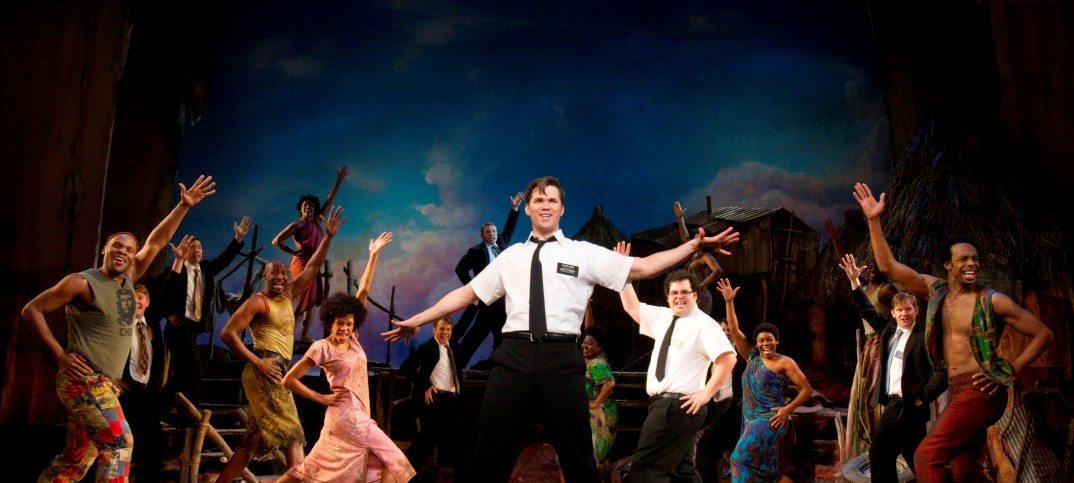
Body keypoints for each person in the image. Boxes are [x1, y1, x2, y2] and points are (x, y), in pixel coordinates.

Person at [384, 175, 740, 482]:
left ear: (561, 209)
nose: (545, 205)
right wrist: (418, 319)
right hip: (514, 356)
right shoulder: (511, 257)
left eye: (552, 200)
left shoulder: (582, 253)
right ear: (527, 208)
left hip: (561, 358)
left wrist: (694, 245)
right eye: (538, 200)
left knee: (578, 456)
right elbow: (465, 294)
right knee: (488, 452)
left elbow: (643, 267)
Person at [852, 182, 1054, 481]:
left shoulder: (992, 300)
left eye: (975, 259)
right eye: (963, 259)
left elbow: (1043, 334)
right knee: (963, 470)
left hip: (980, 389)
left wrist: (1009, 371)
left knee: (926, 456)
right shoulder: (936, 292)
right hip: (955, 388)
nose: (972, 264)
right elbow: (889, 266)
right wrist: (873, 220)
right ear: (948, 265)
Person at [21, 175, 216, 482]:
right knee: (120, 444)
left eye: (128, 248)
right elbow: (32, 309)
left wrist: (183, 206)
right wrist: (60, 355)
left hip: (105, 384)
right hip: (84, 381)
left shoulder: (128, 279)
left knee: (75, 461)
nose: (122, 251)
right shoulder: (82, 283)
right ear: (105, 249)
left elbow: (156, 242)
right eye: (116, 246)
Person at [216, 206, 346, 483]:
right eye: (273, 273)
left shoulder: (288, 294)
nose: (279, 277)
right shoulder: (257, 302)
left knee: (251, 444)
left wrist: (328, 237)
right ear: (265, 276)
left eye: (283, 274)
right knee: (294, 434)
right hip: (265, 369)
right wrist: (258, 362)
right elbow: (227, 333)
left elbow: (311, 268)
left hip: (279, 370)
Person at [277, 231, 414, 482]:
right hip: (347, 415)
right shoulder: (322, 347)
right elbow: (289, 380)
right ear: (330, 322)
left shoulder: (353, 341)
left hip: (355, 416)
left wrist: (373, 255)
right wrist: (321, 398)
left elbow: (364, 290)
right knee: (394, 458)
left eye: (349, 324)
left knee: (312, 467)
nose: (344, 328)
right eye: (340, 323)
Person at [615, 253, 736, 482]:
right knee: (683, 472)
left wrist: (706, 394)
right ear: (668, 296)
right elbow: (632, 307)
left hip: (677, 406)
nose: (679, 297)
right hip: (667, 406)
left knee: (643, 469)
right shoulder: (663, 317)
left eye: (685, 292)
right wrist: (623, 272)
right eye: (674, 293)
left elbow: (728, 359)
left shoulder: (704, 324)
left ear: (695, 295)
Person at [840, 254, 947, 482]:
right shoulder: (889, 331)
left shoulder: (923, 337)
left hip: (905, 404)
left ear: (916, 310)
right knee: (916, 456)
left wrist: (923, 396)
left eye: (908, 309)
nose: (904, 314)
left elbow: (942, 370)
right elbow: (867, 309)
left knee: (879, 453)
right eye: (900, 310)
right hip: (895, 404)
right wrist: (854, 281)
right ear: (893, 313)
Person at [719, 278, 812, 483]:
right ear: (756, 343)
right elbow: (734, 330)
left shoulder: (785, 362)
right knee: (766, 472)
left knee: (738, 460)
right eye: (761, 340)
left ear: (776, 340)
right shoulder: (751, 357)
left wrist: (787, 409)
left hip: (770, 419)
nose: (765, 343)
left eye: (769, 339)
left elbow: (807, 389)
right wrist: (729, 301)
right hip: (750, 419)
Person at [157, 216, 249, 409]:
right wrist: (168, 314)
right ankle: (191, 412)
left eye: (199, 247)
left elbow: (224, 260)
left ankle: (163, 407)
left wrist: (238, 238)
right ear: (185, 251)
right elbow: (159, 294)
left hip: (194, 328)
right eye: (192, 247)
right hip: (178, 327)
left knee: (181, 373)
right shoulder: (176, 270)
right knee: (194, 368)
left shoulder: (206, 269)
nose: (197, 250)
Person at [273, 166, 349, 340]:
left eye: (312, 206)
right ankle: (286, 335)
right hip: (302, 264)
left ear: (315, 209)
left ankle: (304, 335)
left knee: (312, 300)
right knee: (304, 298)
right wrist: (293, 251)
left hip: (314, 264)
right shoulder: (297, 225)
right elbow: (276, 241)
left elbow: (329, 200)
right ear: (301, 209)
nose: (309, 208)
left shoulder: (316, 221)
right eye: (306, 206)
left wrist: (339, 180)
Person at [452, 191, 524, 367]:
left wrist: (515, 208)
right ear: (482, 235)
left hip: (501, 298)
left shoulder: (501, 243)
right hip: (487, 297)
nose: (492, 234)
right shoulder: (476, 251)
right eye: (488, 232)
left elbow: (509, 228)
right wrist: (473, 288)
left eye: (493, 231)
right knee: (485, 332)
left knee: (494, 332)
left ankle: (493, 365)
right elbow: (460, 269)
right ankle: (460, 364)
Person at [399, 315, 470, 481]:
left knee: (428, 441)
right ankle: (401, 474)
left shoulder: (453, 347)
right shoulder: (427, 348)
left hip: (451, 399)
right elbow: (405, 368)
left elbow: (464, 327)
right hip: (436, 399)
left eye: (448, 329)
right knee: (460, 438)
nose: (445, 333)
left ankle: (402, 474)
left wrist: (474, 305)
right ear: (434, 330)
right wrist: (425, 384)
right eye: (441, 329)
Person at [695, 319, 747, 483]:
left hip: (733, 406)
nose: (725, 333)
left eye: (728, 330)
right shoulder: (712, 356)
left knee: (705, 449)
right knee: (736, 454)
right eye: (722, 330)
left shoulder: (742, 354)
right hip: (717, 408)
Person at [581, 326, 618, 477]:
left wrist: (594, 403)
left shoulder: (597, 364)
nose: (585, 345)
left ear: (599, 347)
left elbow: (609, 384)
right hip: (596, 413)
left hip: (601, 415)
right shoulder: (594, 358)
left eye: (590, 343)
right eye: (584, 342)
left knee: (594, 455)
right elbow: (590, 330)